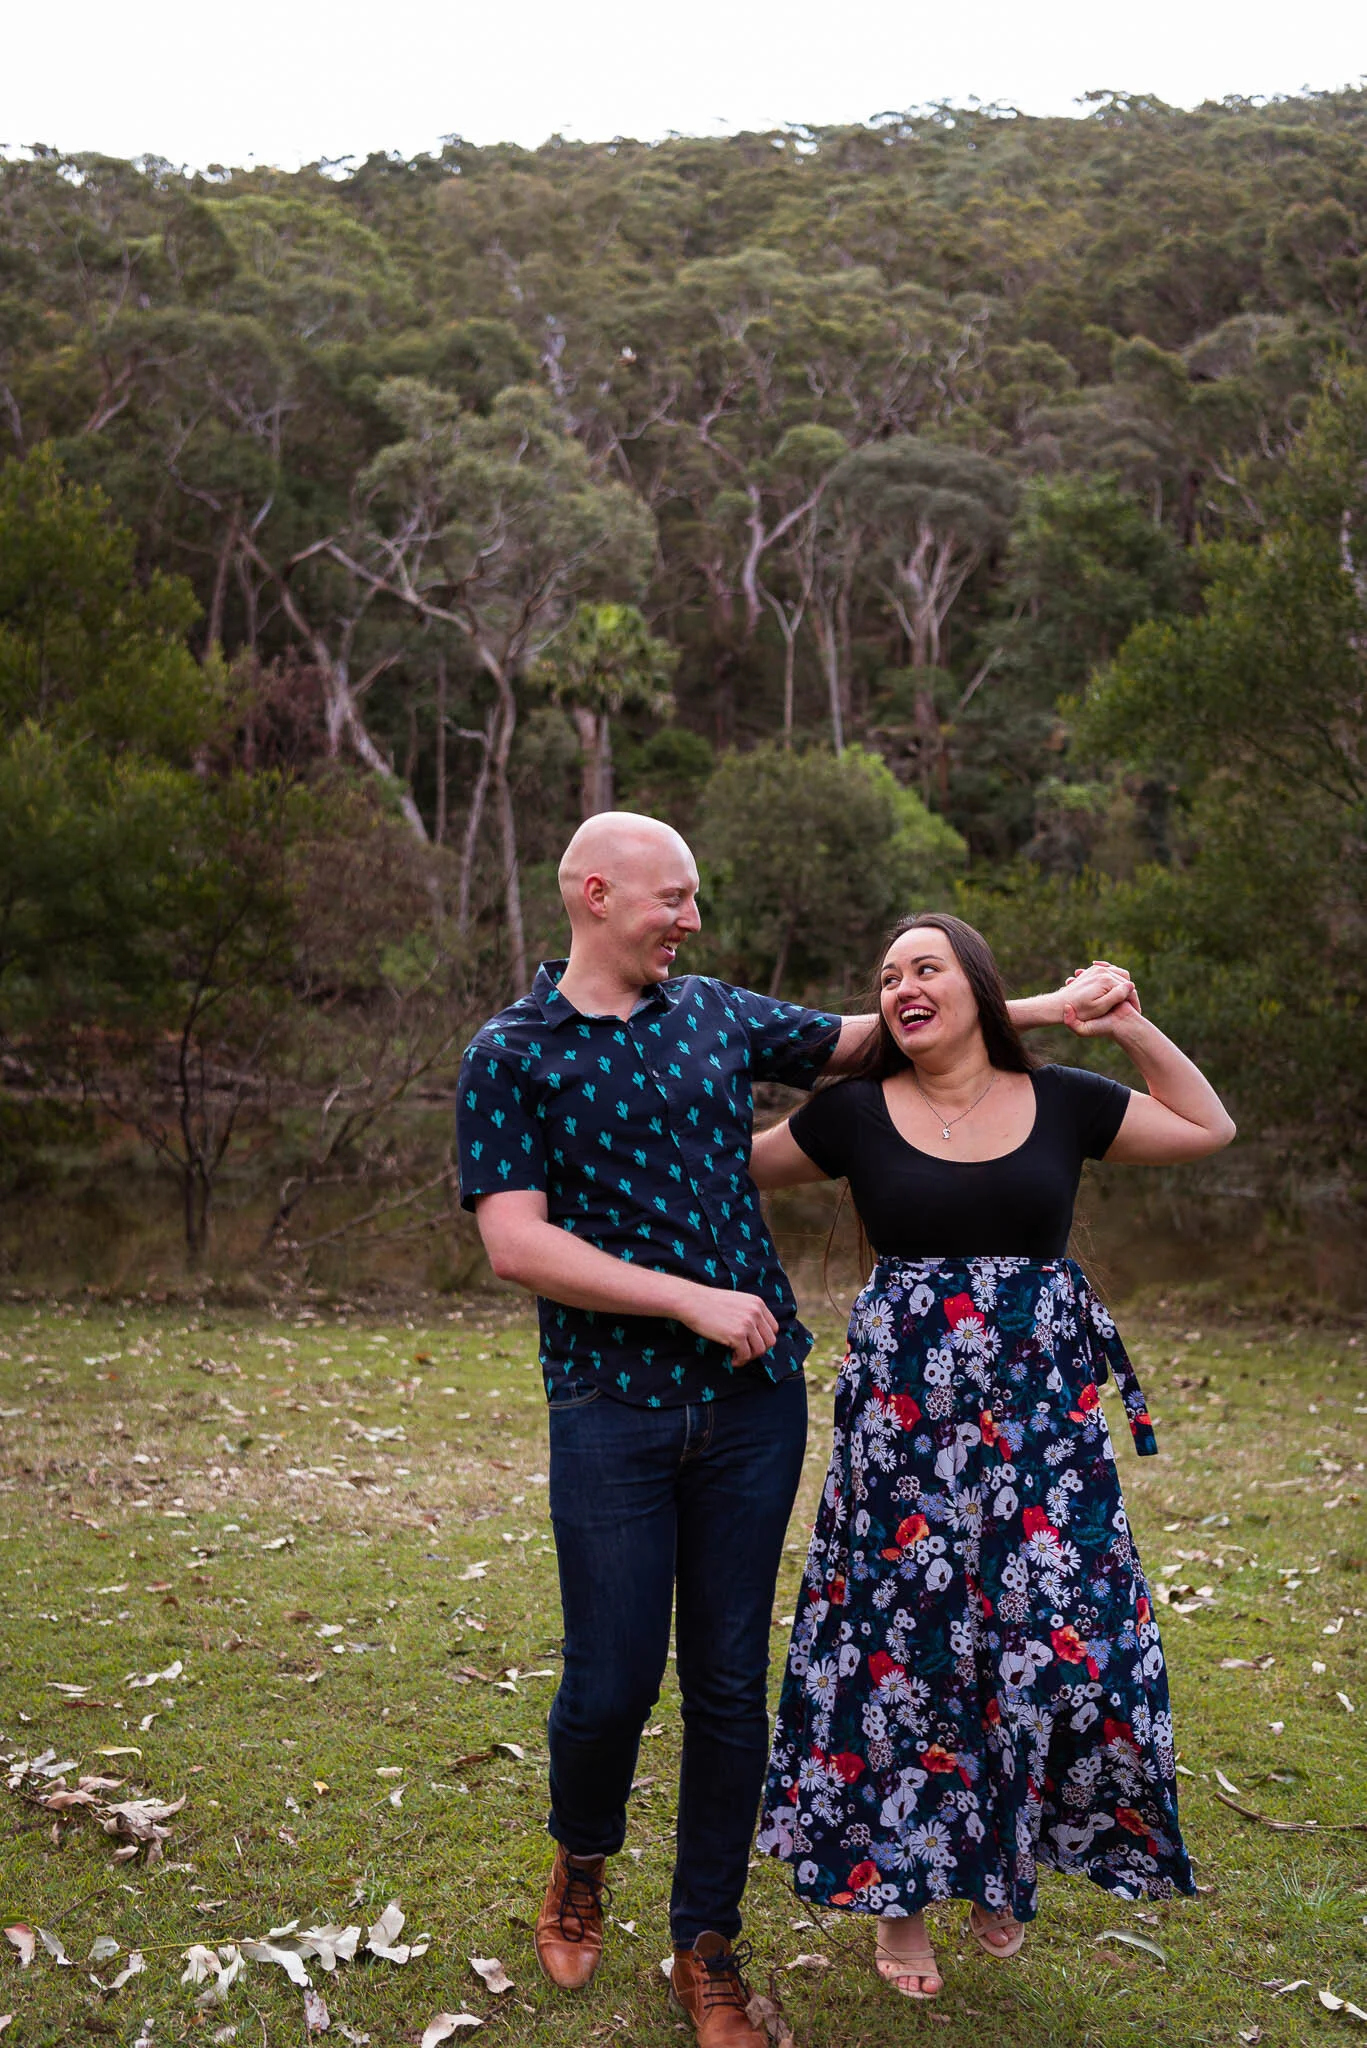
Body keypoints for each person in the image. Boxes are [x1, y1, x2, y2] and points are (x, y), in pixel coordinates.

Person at [456, 819, 1135, 2045]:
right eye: (675, 898)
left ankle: (704, 1943)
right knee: (610, 1680)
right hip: (608, 1399)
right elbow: (515, 1239)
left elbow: (883, 1031)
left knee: (726, 1685)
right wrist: (687, 1297)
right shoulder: (510, 1051)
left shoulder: (714, 1012)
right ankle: (581, 1854)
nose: (692, 919)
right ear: (598, 895)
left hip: (749, 1407)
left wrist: (1054, 1001)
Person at [750, 910, 1236, 2002]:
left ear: (974, 983)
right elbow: (725, 1172)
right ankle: (902, 1901)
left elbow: (1204, 1124)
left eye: (924, 966)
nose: (900, 985)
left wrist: (1123, 1024)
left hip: (1039, 1434)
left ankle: (1000, 1863)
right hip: (900, 1437)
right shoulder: (853, 1113)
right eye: (884, 976)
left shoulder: (1060, 1099)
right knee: (902, 1652)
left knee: (1058, 1644)